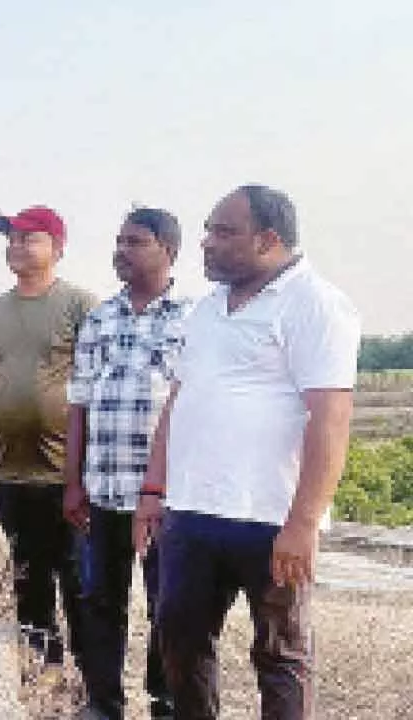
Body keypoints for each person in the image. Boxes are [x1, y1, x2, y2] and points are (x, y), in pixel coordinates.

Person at [134, 185, 361, 719]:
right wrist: (153, 489)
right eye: (208, 230)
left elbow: (331, 419)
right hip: (191, 511)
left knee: (280, 655)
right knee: (178, 638)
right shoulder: (206, 310)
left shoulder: (316, 305)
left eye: (224, 232)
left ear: (268, 240)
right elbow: (180, 401)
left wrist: (303, 524)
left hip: (270, 516)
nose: (206, 243)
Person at [0, 205, 98, 669]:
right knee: (27, 571)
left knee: (76, 573)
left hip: (66, 470)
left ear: (58, 249)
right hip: (8, 467)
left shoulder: (80, 305)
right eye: (12, 239)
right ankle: (42, 664)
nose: (17, 246)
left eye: (29, 238)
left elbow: (98, 382)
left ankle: (90, 675)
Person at [64, 207, 188, 720]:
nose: (121, 251)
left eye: (135, 242)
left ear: (168, 251)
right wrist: (73, 483)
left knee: (168, 604)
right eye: (118, 241)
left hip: (165, 495)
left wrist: (164, 489)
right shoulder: (100, 318)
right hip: (104, 488)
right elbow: (78, 403)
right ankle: (103, 703)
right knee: (100, 600)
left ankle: (165, 702)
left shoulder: (193, 318)